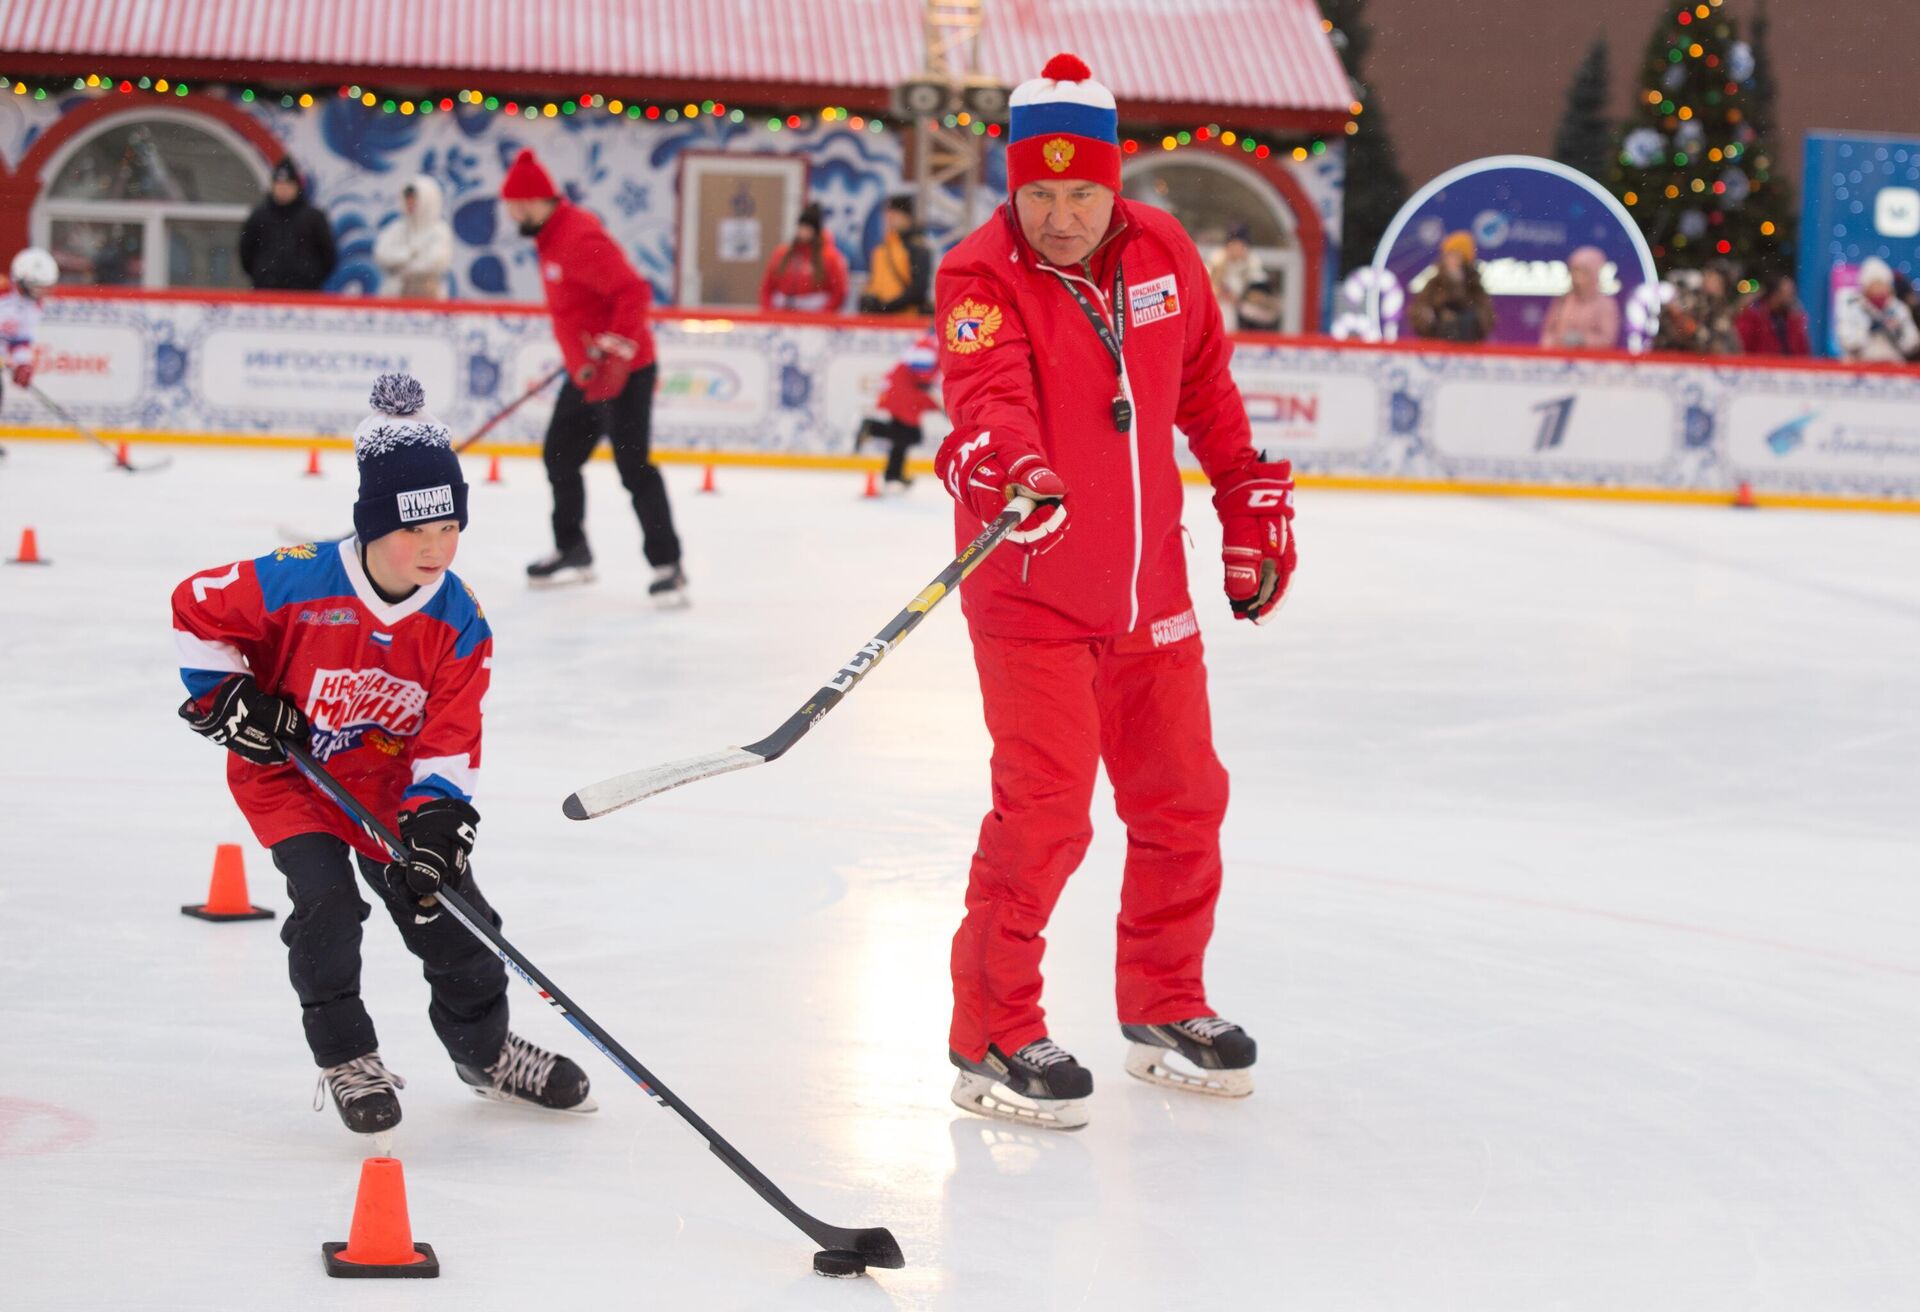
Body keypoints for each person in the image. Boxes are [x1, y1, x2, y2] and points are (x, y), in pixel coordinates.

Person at [933, 52, 1295, 1130]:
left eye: (1079, 192)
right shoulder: (978, 274)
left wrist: (1245, 497)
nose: (1056, 216)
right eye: (1035, 193)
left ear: (1114, 179)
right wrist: (1013, 468)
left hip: (1151, 593)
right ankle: (994, 1030)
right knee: (1046, 814)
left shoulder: (1167, 251)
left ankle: (1166, 1003)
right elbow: (988, 396)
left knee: (1185, 798)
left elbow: (1204, 389)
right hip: (1034, 591)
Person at [169, 374, 593, 1138]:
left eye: (449, 529)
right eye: (413, 531)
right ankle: (347, 1056)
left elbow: (453, 731)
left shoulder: (460, 620)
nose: (434, 548)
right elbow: (195, 607)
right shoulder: (298, 576)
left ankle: (486, 1052)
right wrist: (226, 698)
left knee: (452, 917)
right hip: (295, 777)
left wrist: (438, 822)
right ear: (369, 526)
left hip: (393, 787)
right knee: (328, 906)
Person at [499, 149, 687, 605]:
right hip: (587, 373)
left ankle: (668, 565)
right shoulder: (549, 239)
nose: (511, 217)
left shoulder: (577, 237)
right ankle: (572, 550)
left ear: (529, 203)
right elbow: (575, 312)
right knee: (559, 455)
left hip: (626, 372)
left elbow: (633, 291)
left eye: (513, 208)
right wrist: (585, 359)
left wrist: (614, 351)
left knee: (633, 467)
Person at [856, 331, 940, 492]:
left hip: (902, 389)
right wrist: (935, 402)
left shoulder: (932, 343)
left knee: (902, 436)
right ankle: (872, 428)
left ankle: (893, 474)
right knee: (911, 435)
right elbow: (923, 376)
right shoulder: (930, 345)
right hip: (903, 391)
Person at [238, 156, 336, 292]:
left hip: (305, 294)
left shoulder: (314, 217)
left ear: (297, 187)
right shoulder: (259, 217)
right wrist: (263, 275)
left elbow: (328, 255)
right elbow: (246, 252)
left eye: (288, 185)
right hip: (266, 292)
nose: (283, 189)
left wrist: (310, 277)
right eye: (279, 185)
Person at [0, 246, 58, 459]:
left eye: (44, 288)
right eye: (36, 287)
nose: (40, 293)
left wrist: (23, 364)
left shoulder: (32, 307)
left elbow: (20, 340)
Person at [373, 175, 454, 299]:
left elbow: (437, 261)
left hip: (429, 294)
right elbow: (381, 254)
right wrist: (410, 254)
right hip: (395, 294)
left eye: (414, 199)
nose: (410, 204)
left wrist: (402, 266)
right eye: (407, 199)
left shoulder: (439, 230)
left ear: (427, 200)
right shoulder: (397, 228)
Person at [759, 202, 849, 313]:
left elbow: (839, 291)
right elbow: (767, 286)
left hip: (814, 315)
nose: (803, 232)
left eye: (808, 228)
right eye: (801, 227)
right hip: (782, 312)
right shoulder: (782, 253)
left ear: (816, 231)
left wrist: (824, 315)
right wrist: (769, 312)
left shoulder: (830, 257)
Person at [1408, 232, 1494, 342]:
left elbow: (1486, 320)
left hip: (1468, 351)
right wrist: (1435, 317)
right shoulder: (1434, 285)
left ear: (1465, 260)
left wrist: (1465, 320)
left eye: (1457, 256)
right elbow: (1419, 314)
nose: (1452, 260)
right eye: (1449, 255)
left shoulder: (1474, 288)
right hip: (1436, 349)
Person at [1835, 257, 1919, 363]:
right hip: (1859, 368)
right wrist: (1868, 327)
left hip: (1891, 369)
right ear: (1866, 287)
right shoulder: (1852, 307)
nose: (1879, 289)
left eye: (1883, 284)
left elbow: (1911, 345)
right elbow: (1848, 342)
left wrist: (1897, 332)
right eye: (1875, 285)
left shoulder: (1898, 308)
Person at [858, 195, 932, 315]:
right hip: (880, 321)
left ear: (908, 218)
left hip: (906, 321)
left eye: (895, 214)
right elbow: (874, 283)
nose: (889, 218)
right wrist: (868, 300)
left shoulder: (917, 248)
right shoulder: (881, 249)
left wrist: (885, 307)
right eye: (888, 214)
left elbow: (918, 290)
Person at [1538, 245, 1620, 350]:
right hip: (1560, 361)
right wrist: (1555, 344)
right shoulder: (1563, 300)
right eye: (1574, 272)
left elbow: (1608, 339)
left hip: (1591, 363)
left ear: (1594, 274)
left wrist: (1583, 340)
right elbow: (1547, 334)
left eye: (1582, 272)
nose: (1577, 278)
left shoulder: (1606, 304)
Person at [1656, 260, 1742, 354]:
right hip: (1668, 355)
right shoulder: (1690, 296)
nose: (1707, 279)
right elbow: (1665, 317)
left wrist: (1687, 325)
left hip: (1700, 362)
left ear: (1722, 286)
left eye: (1714, 278)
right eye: (1707, 274)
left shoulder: (1721, 311)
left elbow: (1714, 345)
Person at [1735, 272, 1812, 357]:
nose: (1791, 299)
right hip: (1760, 368)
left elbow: (1803, 353)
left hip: (1789, 369)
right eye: (1787, 294)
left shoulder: (1794, 320)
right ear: (1774, 294)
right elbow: (1740, 349)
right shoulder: (1752, 317)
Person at [1207, 225, 1264, 332]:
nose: (1235, 249)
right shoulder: (1216, 262)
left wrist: (1240, 300)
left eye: (1240, 246)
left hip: (1243, 325)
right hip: (1216, 319)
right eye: (1233, 245)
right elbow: (1206, 292)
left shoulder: (1252, 266)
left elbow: (1259, 301)